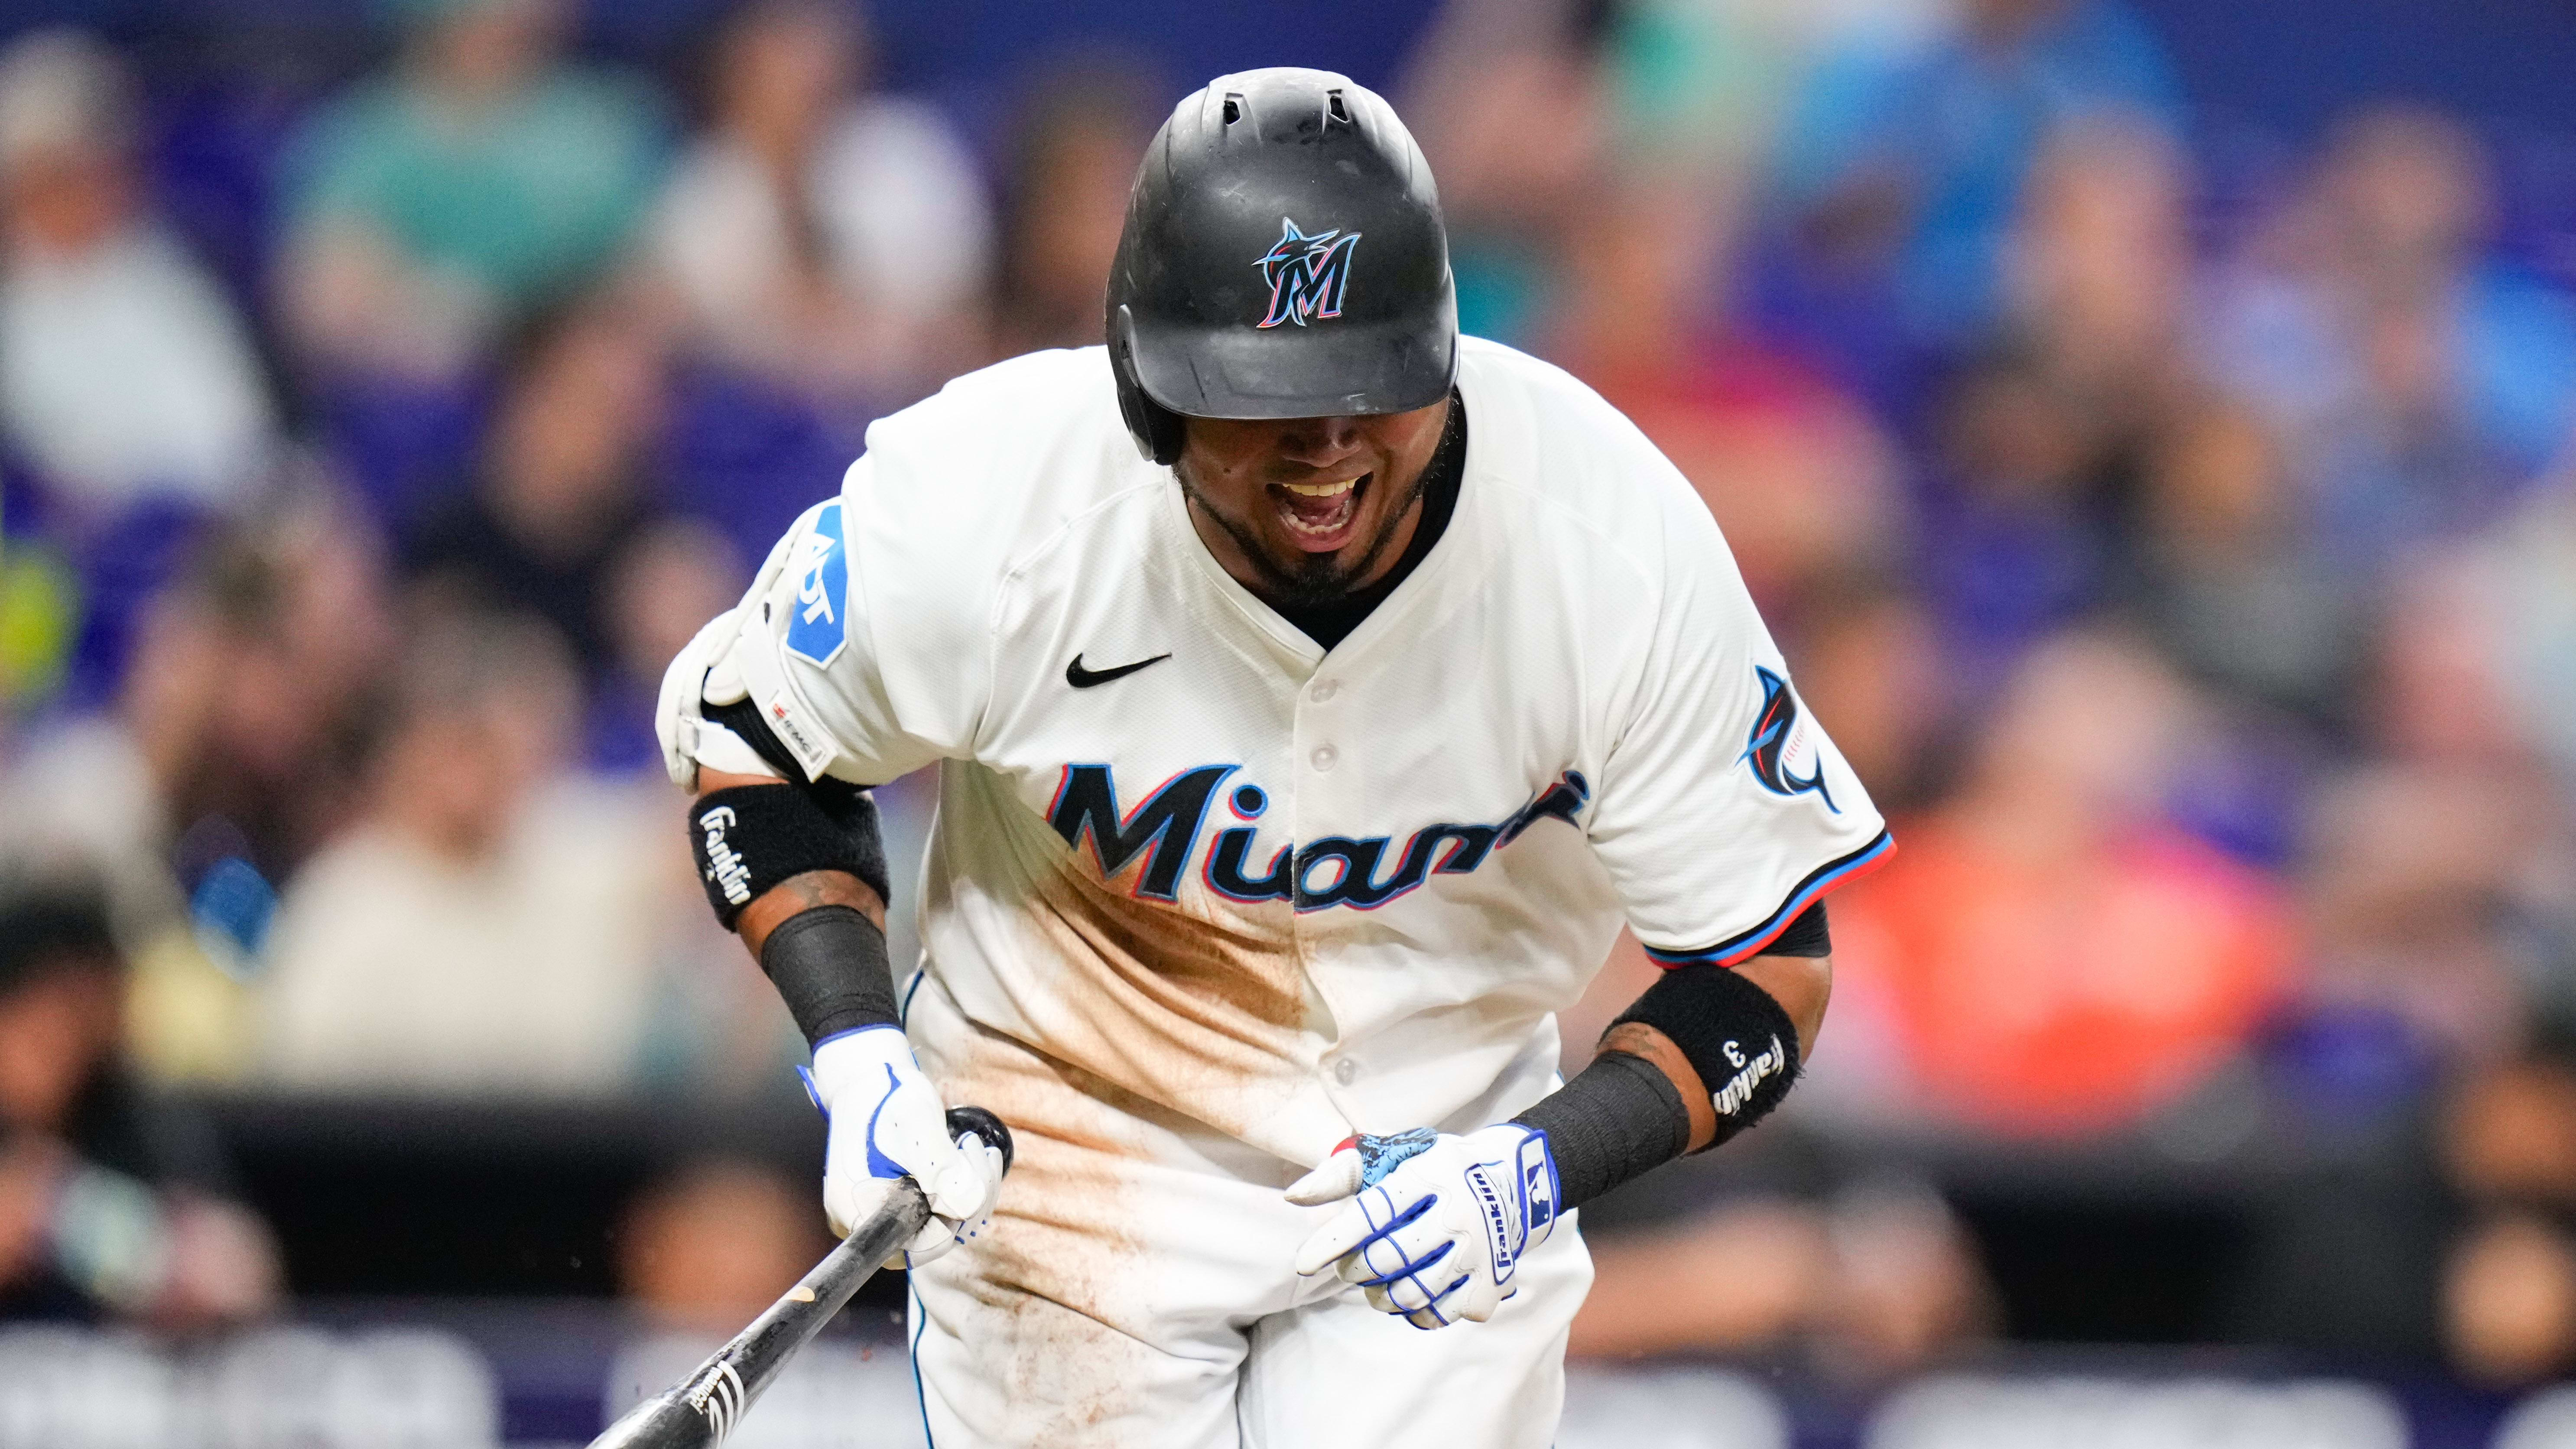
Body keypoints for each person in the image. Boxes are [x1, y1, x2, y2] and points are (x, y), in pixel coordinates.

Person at [653, 70, 1888, 1447]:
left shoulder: (1605, 543)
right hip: (1063, 1151)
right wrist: (855, 1041)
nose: (1327, 449)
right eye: (1267, 399)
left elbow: (1767, 972)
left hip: (1437, 1164)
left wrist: (1534, 1167)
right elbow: (755, 742)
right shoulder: (987, 501)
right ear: (1149, 387)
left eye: (1370, 386)